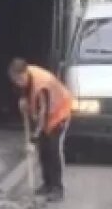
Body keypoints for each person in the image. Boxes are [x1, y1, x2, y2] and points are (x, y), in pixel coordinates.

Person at [8, 58, 73, 201]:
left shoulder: (42, 84)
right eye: (15, 80)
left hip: (59, 113)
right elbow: (27, 94)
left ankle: (57, 188)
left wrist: (34, 136)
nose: (18, 83)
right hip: (47, 114)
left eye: (19, 79)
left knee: (53, 149)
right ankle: (47, 184)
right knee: (43, 150)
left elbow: (43, 113)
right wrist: (23, 101)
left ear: (24, 73)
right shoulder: (26, 78)